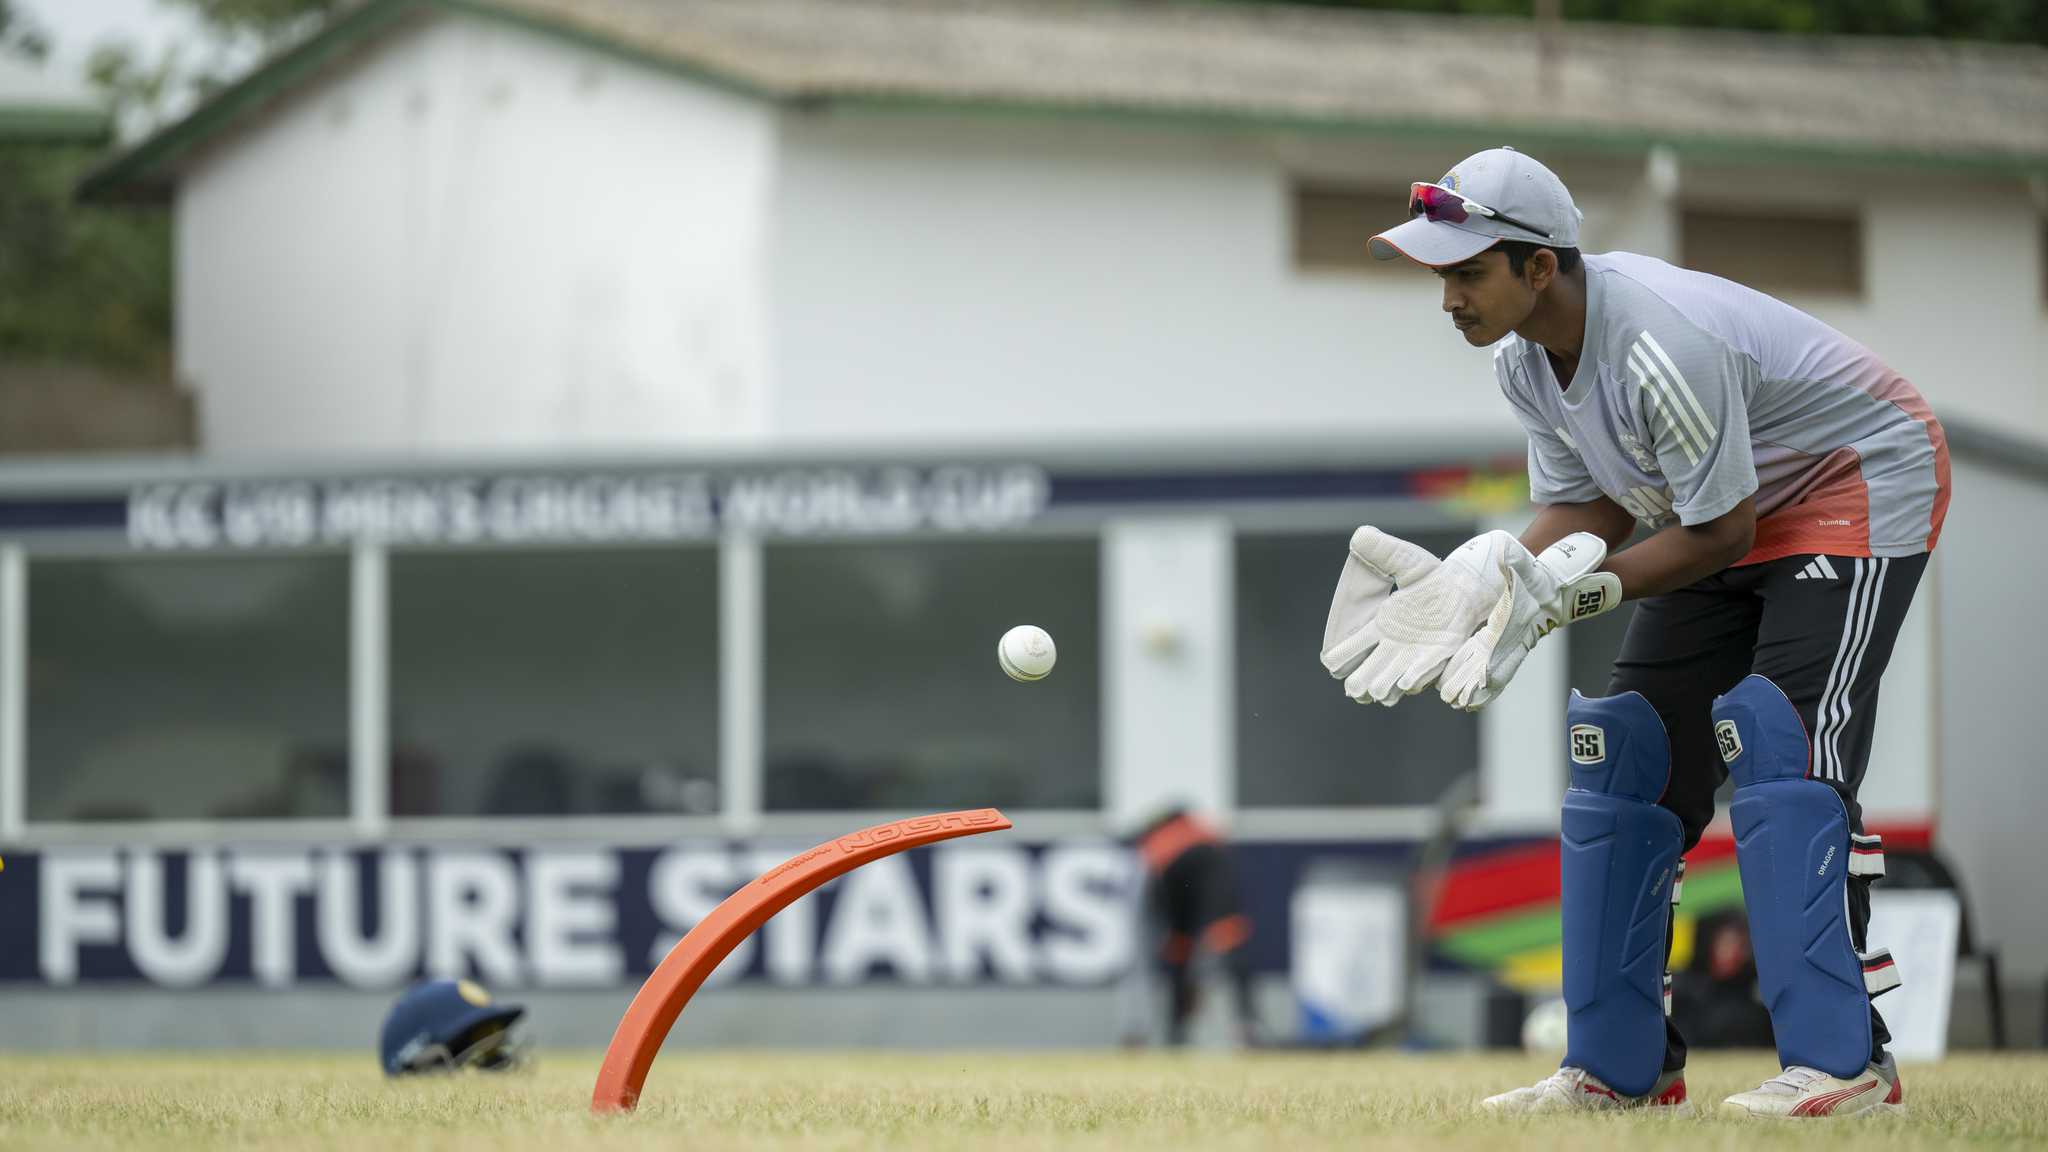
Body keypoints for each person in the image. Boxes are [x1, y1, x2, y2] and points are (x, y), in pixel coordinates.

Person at [1321, 148, 1945, 1118]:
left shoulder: (1658, 344)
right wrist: (1483, 577)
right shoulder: (1524, 363)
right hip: (1723, 510)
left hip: (1849, 485)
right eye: (1440, 274)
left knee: (1782, 750)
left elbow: (1721, 532)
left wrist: (1576, 598)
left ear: (1539, 267)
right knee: (1623, 760)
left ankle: (1844, 1063)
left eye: (1467, 271)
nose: (1447, 297)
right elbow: (1589, 506)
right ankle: (1618, 1069)